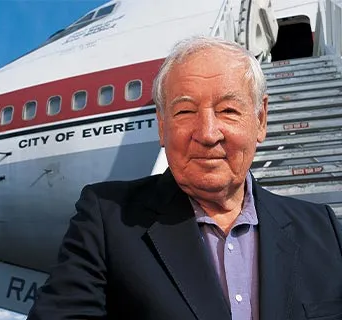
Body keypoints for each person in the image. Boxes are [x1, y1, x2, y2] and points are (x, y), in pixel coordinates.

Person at [27, 36, 342, 320]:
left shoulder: (324, 230)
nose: (206, 134)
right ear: (162, 126)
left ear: (260, 120)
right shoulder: (106, 219)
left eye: (229, 110)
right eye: (184, 112)